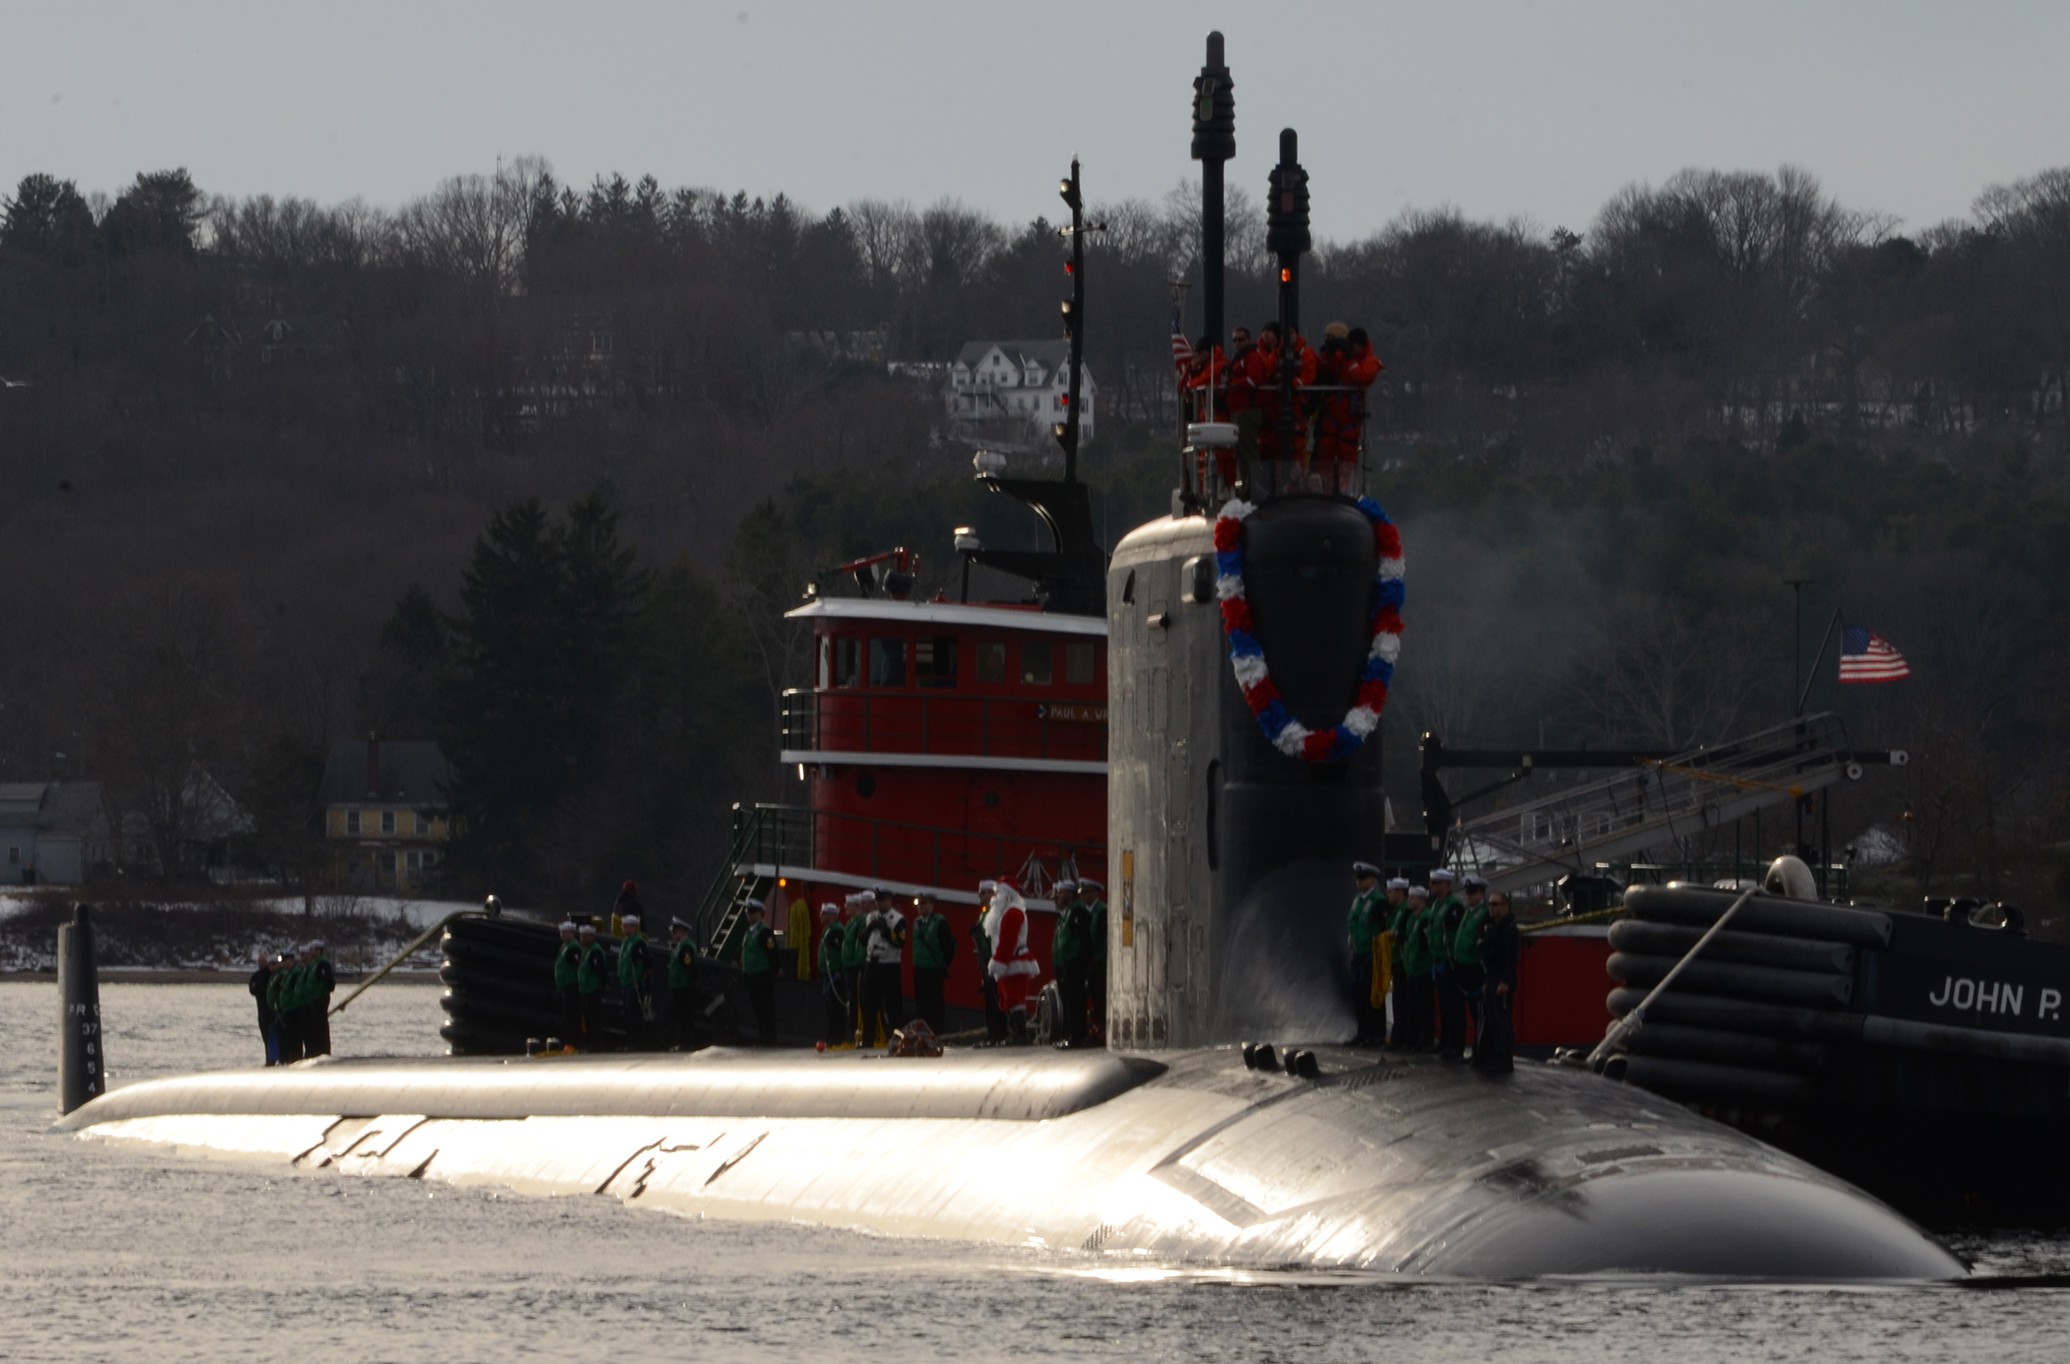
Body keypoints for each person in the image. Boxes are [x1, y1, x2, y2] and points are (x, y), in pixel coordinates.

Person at [984, 880, 1040, 1044]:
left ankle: (1020, 1034)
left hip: (1012, 962)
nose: (995, 897)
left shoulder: (1012, 913)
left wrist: (997, 962)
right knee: (1008, 999)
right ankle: (1014, 1034)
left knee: (1015, 999)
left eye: (998, 893)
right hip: (1008, 963)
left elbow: (1008, 942)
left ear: (1007, 895)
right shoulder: (1006, 912)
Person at [1473, 890, 1520, 1075]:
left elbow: (1512, 958)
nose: (1490, 908)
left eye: (1495, 905)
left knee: (1502, 1021)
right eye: (1489, 905)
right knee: (1491, 1019)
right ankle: (1491, 1057)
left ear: (1505, 906)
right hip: (1491, 977)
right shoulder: (1492, 927)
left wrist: (1505, 981)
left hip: (1501, 979)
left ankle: (1504, 1061)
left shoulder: (1509, 929)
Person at [859, 887, 907, 1049]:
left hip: (889, 965)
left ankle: (897, 1041)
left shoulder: (898, 919)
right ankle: (867, 1041)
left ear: (889, 901)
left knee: (893, 1006)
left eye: (882, 900)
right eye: (877, 901)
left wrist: (885, 929)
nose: (879, 904)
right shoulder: (871, 917)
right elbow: (863, 939)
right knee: (870, 1005)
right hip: (872, 964)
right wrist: (871, 927)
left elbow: (899, 941)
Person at [1428, 869, 1467, 1060]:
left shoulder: (1454, 905)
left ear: (1445, 885)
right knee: (1443, 1005)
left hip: (1450, 960)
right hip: (1438, 959)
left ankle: (1455, 1045)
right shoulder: (1436, 905)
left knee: (1454, 1006)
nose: (1431, 886)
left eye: (1435, 883)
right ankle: (1444, 1041)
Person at [1453, 874, 1492, 1062]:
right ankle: (1477, 1050)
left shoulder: (1485, 913)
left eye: (1473, 892)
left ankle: (1480, 1052)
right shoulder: (1469, 912)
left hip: (1476, 970)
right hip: (1465, 969)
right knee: (1473, 1013)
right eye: (1467, 892)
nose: (1468, 895)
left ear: (1482, 893)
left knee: (1480, 1015)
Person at [1346, 862, 1385, 1046]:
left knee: (1372, 996)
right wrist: (1351, 938)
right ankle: (1362, 1031)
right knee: (1357, 994)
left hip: (1371, 954)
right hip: (1358, 953)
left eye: (1362, 878)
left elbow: (1381, 929)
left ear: (1372, 880)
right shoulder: (1358, 900)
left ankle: (1375, 1034)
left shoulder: (1378, 901)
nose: (1359, 882)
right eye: (1357, 879)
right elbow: (1354, 923)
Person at [1390, 885, 1432, 1052]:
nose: (1410, 901)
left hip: (1422, 968)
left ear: (1422, 900)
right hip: (1411, 968)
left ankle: (1425, 1040)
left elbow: (1425, 945)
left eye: (1413, 898)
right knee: (1412, 1006)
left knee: (1424, 1008)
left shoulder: (1425, 917)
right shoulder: (1412, 918)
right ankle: (1411, 1040)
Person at [1050, 880, 1092, 1046]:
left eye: (1061, 893)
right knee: (1067, 1000)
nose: (1057, 896)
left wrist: (1084, 962)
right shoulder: (1066, 913)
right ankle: (1070, 1034)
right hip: (1064, 963)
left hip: (1074, 963)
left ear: (1069, 894)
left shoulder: (1077, 911)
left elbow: (1083, 938)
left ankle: (1077, 1036)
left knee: (1075, 1000)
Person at [909, 892, 956, 1034]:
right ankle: (923, 1034)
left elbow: (948, 946)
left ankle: (938, 1032)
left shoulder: (939, 922)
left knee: (935, 1003)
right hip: (920, 968)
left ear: (931, 904)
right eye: (918, 904)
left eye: (923, 903)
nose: (920, 907)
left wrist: (944, 964)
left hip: (934, 969)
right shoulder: (917, 923)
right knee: (921, 1004)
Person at [738, 901, 778, 1046]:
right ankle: (762, 1036)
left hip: (763, 975)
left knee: (766, 1007)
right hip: (751, 975)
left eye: (753, 912)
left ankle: (770, 1038)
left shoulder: (764, 932)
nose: (749, 915)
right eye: (748, 912)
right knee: (757, 1008)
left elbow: (772, 953)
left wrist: (771, 973)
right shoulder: (748, 933)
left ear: (760, 914)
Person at [972, 880, 1007, 1045]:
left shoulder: (995, 913)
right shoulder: (984, 913)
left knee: (995, 999)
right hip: (986, 961)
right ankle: (992, 1032)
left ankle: (999, 1033)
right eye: (980, 892)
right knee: (989, 999)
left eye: (984, 892)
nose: (980, 896)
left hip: (993, 961)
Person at [1379, 877, 1409, 1046]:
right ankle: (1398, 1034)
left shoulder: (1405, 910)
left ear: (1400, 892)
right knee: (1397, 1000)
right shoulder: (1395, 911)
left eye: (1391, 891)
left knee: (1402, 1000)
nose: (1388, 895)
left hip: (1402, 960)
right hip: (1394, 959)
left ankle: (1402, 1036)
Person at [842, 890, 874, 1045]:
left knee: (857, 1002)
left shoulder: (861, 921)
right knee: (851, 1002)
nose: (845, 908)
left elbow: (860, 944)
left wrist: (856, 962)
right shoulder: (851, 922)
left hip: (856, 967)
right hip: (848, 966)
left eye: (848, 905)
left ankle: (857, 1034)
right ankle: (852, 1033)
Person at [617, 914, 653, 1052]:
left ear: (635, 928)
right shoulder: (626, 942)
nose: (626, 930)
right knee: (627, 1016)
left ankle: (637, 1043)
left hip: (635, 985)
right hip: (626, 983)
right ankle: (630, 1042)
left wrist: (643, 979)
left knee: (635, 1016)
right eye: (624, 927)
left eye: (629, 927)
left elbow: (648, 962)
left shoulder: (638, 942)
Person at [816, 903, 849, 1047]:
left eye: (825, 913)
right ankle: (832, 1036)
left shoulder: (837, 930)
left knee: (836, 1007)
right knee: (830, 1007)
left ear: (833, 915)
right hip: (827, 974)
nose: (821, 916)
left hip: (835, 974)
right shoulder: (827, 930)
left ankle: (838, 1037)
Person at [666, 917, 701, 1051]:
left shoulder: (686, 946)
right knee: (682, 1017)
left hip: (684, 986)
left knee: (686, 1017)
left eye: (675, 931)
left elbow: (689, 966)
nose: (673, 934)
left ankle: (687, 1043)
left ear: (682, 931)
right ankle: (684, 1042)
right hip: (678, 986)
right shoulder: (680, 945)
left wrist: (689, 983)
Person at [1082, 878, 1108, 1044]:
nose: (1083, 896)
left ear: (1096, 893)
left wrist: (1098, 957)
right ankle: (1096, 1028)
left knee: (1100, 997)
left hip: (1099, 962)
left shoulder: (1101, 911)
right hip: (1089, 961)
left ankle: (1102, 1031)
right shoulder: (1087, 912)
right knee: (1091, 995)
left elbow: (1104, 937)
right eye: (1082, 893)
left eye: (1087, 892)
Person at [575, 921, 608, 1049]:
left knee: (594, 1019)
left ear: (592, 937)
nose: (582, 939)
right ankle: (589, 1043)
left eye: (585, 936)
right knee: (587, 1019)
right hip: (585, 989)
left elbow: (600, 969)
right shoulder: (585, 951)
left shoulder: (595, 951)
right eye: (581, 936)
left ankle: (597, 1044)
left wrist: (604, 984)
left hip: (593, 989)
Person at [552, 921, 583, 1048]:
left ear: (572, 933)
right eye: (562, 933)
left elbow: (578, 966)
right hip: (564, 985)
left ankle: (576, 1043)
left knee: (573, 1016)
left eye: (566, 933)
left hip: (572, 985)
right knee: (568, 1016)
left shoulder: (573, 947)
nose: (563, 935)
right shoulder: (564, 946)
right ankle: (571, 1042)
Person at [249, 948, 279, 1066]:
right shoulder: (256, 975)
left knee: (273, 1035)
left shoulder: (273, 974)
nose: (261, 963)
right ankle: (269, 1059)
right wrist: (259, 988)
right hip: (262, 1010)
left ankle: (274, 1058)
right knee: (265, 1036)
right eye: (259, 961)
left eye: (263, 961)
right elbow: (252, 989)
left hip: (272, 1010)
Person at [306, 940, 335, 1057]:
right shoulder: (314, 964)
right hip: (313, 999)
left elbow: (329, 982)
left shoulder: (323, 964)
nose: (310, 952)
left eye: (312, 949)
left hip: (320, 998)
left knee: (321, 1025)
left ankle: (323, 1050)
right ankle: (315, 1050)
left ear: (318, 950)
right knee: (314, 1026)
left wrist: (322, 993)